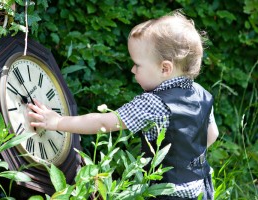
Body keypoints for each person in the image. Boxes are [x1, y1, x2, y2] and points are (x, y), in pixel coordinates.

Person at [28, 10, 219, 200]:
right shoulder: (201, 93)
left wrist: (57, 122)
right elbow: (212, 135)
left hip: (167, 194)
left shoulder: (154, 103)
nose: (132, 69)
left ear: (165, 68)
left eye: (138, 64)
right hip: (200, 189)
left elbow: (104, 123)